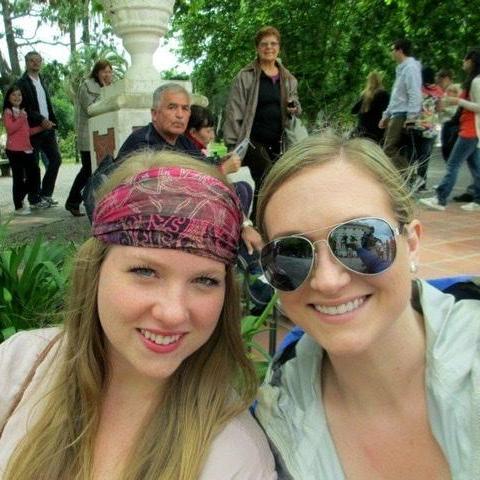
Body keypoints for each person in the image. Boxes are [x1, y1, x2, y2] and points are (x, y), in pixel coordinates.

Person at [0, 150, 277, 479]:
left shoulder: (236, 456)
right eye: (145, 271)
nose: (172, 313)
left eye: (205, 280)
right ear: (97, 269)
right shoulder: (18, 366)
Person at [254, 132, 479, 479]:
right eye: (292, 254)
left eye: (361, 241)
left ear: (412, 243)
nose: (327, 281)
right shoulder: (276, 415)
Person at [223, 26, 301, 194]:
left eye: (273, 44)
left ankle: (264, 211)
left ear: (279, 47)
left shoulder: (289, 79)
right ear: (257, 48)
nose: (269, 48)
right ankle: (260, 211)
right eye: (264, 44)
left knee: (277, 183)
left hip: (280, 141)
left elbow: (296, 107)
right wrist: (232, 146)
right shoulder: (245, 76)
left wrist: (294, 107)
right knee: (266, 179)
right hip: (253, 141)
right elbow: (234, 112)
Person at [420, 48, 480, 212]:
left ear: (471, 61)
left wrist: (458, 101)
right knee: (475, 166)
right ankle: (478, 200)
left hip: (470, 129)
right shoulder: (472, 80)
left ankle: (440, 199)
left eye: (465, 59)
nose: (463, 62)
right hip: (469, 128)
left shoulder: (476, 81)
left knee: (453, 164)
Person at [65, 59, 113, 217]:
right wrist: (105, 90)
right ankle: (73, 201)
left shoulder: (110, 87)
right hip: (87, 134)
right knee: (87, 169)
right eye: (104, 71)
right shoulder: (86, 86)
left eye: (109, 71)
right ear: (97, 72)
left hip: (103, 134)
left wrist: (107, 89)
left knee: (94, 169)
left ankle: (79, 201)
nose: (107, 74)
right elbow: (90, 108)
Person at [17, 51, 62, 206]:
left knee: (56, 160)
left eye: (38, 60)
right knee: (33, 166)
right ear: (26, 62)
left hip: (48, 129)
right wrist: (41, 120)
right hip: (33, 130)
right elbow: (24, 108)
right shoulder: (21, 83)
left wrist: (52, 122)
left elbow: (47, 105)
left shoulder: (42, 81)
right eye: (32, 60)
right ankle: (34, 198)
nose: (36, 63)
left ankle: (46, 194)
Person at [116, 82, 199, 161]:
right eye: (172, 108)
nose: (180, 115)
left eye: (185, 109)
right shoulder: (142, 145)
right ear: (154, 114)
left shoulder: (185, 142)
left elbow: (204, 164)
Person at [2, 85, 49, 214]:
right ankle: (18, 207)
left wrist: (43, 127)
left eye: (19, 95)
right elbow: (10, 129)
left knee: (34, 173)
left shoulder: (22, 112)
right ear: (8, 97)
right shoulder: (7, 112)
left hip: (26, 149)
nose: (17, 97)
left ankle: (21, 195)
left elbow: (27, 132)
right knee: (18, 178)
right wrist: (22, 117)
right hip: (14, 150)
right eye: (13, 95)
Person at [379, 39, 422, 171]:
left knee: (388, 149)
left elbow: (414, 93)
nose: (391, 53)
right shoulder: (402, 69)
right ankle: (403, 176)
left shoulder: (410, 68)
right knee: (391, 148)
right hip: (396, 114)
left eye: (393, 49)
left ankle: (411, 176)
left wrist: (411, 118)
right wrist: (386, 115)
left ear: (400, 50)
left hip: (402, 115)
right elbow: (396, 97)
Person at [186, 104, 241, 175]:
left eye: (213, 130)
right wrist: (223, 169)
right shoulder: (188, 153)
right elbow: (200, 178)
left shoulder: (196, 149)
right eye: (208, 131)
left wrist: (220, 161)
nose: (212, 136)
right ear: (193, 132)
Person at [351, 70, 390, 143]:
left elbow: (353, 111)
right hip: (378, 132)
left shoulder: (364, 95)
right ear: (380, 81)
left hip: (362, 130)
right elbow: (388, 111)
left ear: (368, 82)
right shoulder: (384, 94)